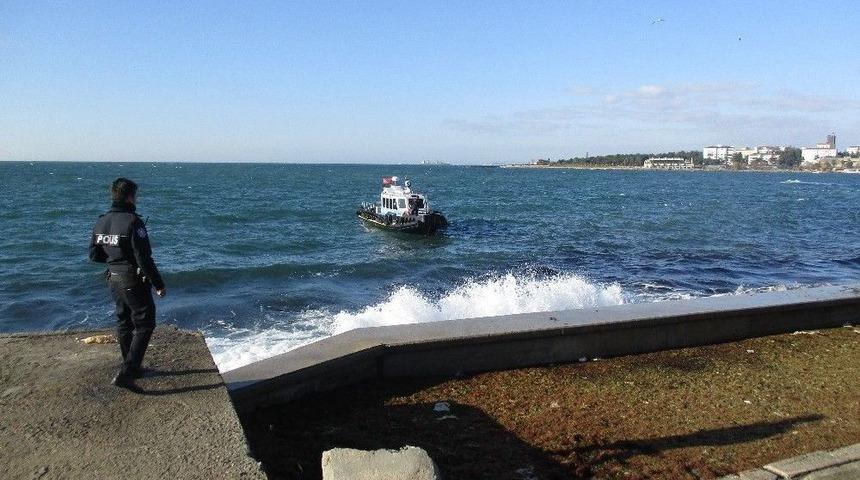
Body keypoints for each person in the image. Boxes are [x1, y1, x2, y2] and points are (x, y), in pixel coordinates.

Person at [89, 178, 167, 391]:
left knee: (124, 321)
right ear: (131, 196)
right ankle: (128, 372)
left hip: (113, 278)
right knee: (145, 323)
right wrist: (158, 284)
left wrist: (115, 258)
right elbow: (143, 258)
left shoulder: (101, 221)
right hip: (132, 278)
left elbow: (94, 255)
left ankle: (131, 366)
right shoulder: (134, 222)